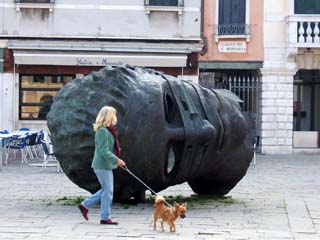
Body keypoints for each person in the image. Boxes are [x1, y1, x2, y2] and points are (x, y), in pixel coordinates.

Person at [78, 106, 126, 225]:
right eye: (113, 115)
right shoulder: (103, 131)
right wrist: (117, 160)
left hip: (106, 165)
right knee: (108, 191)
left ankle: (85, 205)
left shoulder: (107, 130)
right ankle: (104, 217)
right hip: (101, 165)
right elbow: (103, 150)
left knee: (106, 190)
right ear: (109, 116)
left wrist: (115, 158)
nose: (115, 117)